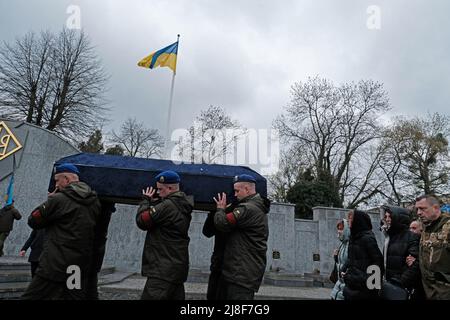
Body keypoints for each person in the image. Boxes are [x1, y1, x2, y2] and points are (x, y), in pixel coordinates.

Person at [22, 163, 101, 300]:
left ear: (67, 179)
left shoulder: (59, 199)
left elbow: (33, 221)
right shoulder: (95, 202)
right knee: (72, 297)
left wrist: (49, 200)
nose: (56, 185)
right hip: (76, 267)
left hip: (53, 265)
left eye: (57, 181)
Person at [136, 170, 193, 300]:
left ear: (170, 188)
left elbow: (141, 221)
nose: (157, 191)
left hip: (162, 270)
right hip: (176, 269)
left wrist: (145, 201)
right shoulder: (183, 204)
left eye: (160, 189)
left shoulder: (167, 205)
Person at [213, 174, 270, 300]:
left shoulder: (248, 208)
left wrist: (220, 209)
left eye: (237, 191)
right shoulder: (254, 206)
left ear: (247, 190)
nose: (235, 194)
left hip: (242, 275)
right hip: (242, 272)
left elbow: (222, 223)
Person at [379, 205, 421, 300]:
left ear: (399, 218)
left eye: (390, 216)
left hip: (401, 289)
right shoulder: (388, 237)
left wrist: (399, 282)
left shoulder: (412, 237)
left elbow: (414, 265)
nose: (387, 219)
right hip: (388, 286)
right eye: (386, 217)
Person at [415, 195, 450, 300]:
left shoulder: (448, 228)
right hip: (430, 293)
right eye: (417, 209)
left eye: (422, 208)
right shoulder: (426, 229)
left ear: (435, 208)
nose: (418, 213)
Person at [343, 210, 384, 300]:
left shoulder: (367, 238)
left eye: (350, 218)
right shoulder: (353, 238)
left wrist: (367, 281)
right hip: (352, 287)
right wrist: (346, 273)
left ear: (358, 221)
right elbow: (351, 261)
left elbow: (378, 262)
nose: (348, 221)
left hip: (363, 291)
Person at [330, 218, 350, 300]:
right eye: (338, 229)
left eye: (341, 229)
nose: (339, 231)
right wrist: (336, 257)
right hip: (339, 286)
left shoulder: (351, 244)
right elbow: (341, 263)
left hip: (346, 287)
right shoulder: (342, 244)